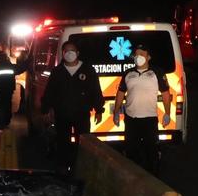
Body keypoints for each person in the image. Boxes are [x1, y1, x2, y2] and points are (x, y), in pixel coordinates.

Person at [40, 40, 104, 174]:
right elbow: (50, 92)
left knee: (83, 142)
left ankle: (82, 168)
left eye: (72, 51)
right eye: (66, 51)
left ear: (78, 53)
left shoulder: (88, 70)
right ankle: (63, 168)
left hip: (81, 113)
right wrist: (45, 109)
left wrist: (99, 109)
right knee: (63, 142)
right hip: (62, 114)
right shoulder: (57, 72)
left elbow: (95, 91)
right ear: (62, 54)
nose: (70, 54)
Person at [112, 44, 172, 174]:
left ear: (148, 57)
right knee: (131, 151)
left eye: (142, 54)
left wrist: (167, 113)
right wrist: (116, 112)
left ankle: (154, 178)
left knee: (152, 152)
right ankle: (133, 179)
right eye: (136, 55)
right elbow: (121, 93)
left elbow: (166, 94)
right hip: (131, 119)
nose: (138, 57)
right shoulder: (128, 73)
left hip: (149, 120)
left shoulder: (157, 72)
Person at [0, 44, 23, 130]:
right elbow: (21, 68)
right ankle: (5, 122)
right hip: (8, 90)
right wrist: (27, 60)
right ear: (6, 58)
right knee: (7, 106)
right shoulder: (10, 66)